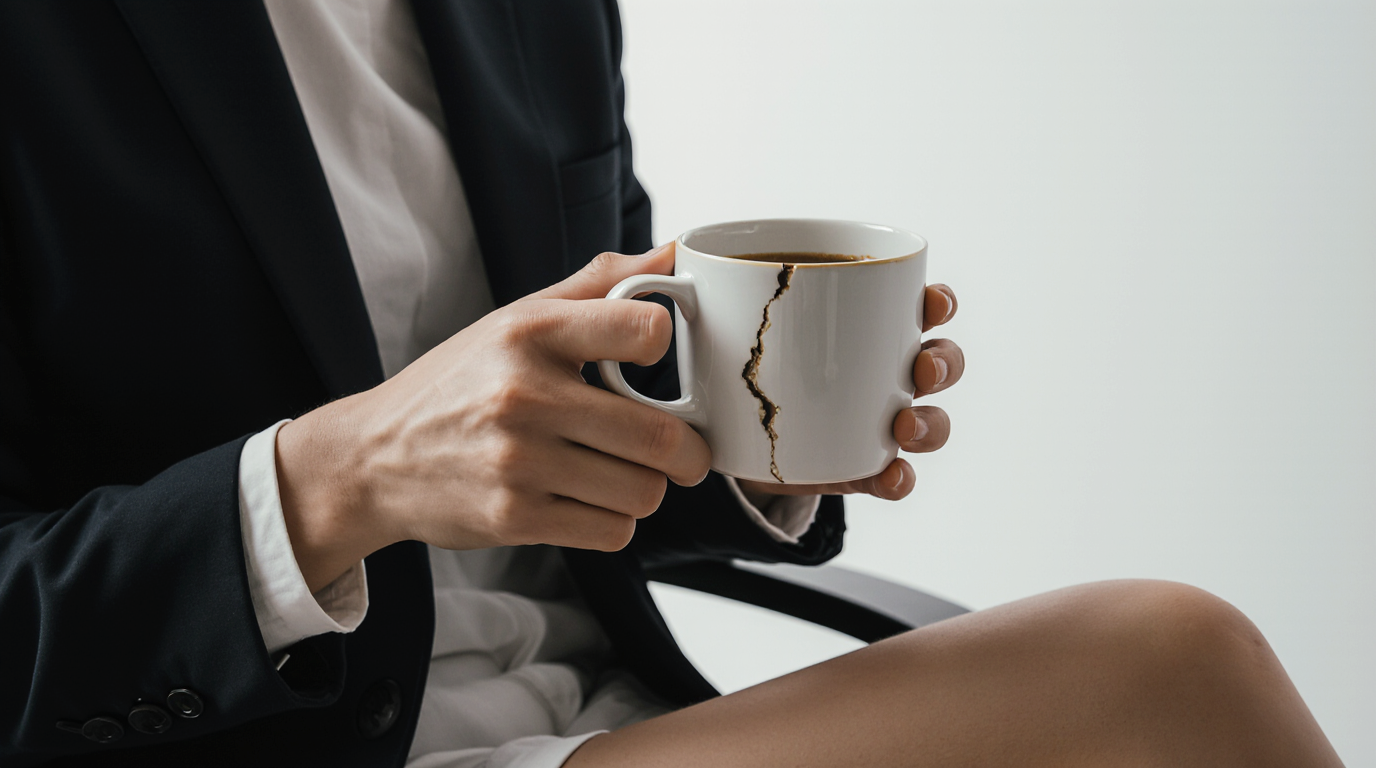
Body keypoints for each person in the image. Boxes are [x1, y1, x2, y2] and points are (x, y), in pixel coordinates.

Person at [0, 2, 1343, 767]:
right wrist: (334, 482)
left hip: (620, 722)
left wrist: (751, 442)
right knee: (1170, 664)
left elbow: (594, 392)